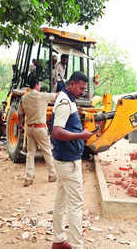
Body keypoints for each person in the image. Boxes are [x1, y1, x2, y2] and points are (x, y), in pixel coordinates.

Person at [51, 71, 93, 249]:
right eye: (81, 88)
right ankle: (77, 246)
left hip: (65, 160)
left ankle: (58, 240)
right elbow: (57, 131)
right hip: (68, 161)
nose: (83, 91)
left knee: (60, 201)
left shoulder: (68, 99)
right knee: (75, 205)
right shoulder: (64, 102)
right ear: (72, 84)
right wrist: (81, 135)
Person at [18, 74, 58, 187]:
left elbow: (19, 114)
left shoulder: (23, 98)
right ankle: (52, 174)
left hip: (29, 128)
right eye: (39, 84)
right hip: (40, 128)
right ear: (36, 84)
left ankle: (28, 178)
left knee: (30, 153)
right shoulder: (42, 96)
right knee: (47, 151)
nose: (40, 86)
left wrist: (21, 125)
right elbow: (56, 95)